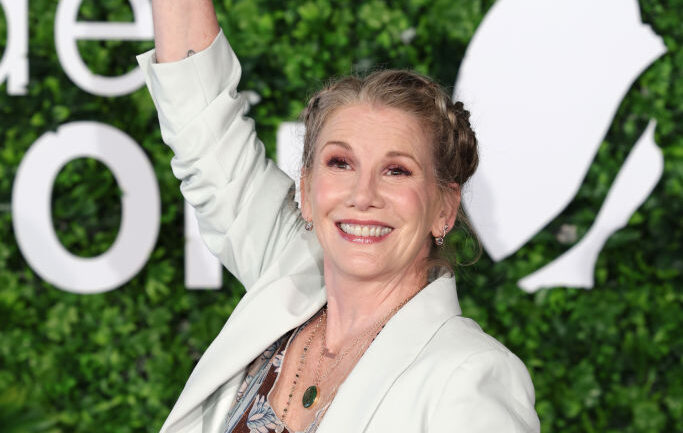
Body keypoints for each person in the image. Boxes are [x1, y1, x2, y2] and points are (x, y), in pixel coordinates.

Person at [138, 2, 540, 433]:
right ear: (307, 191)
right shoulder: (289, 273)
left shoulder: (470, 376)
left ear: (444, 207)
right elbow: (199, 119)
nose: (362, 195)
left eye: (396, 170)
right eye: (340, 163)